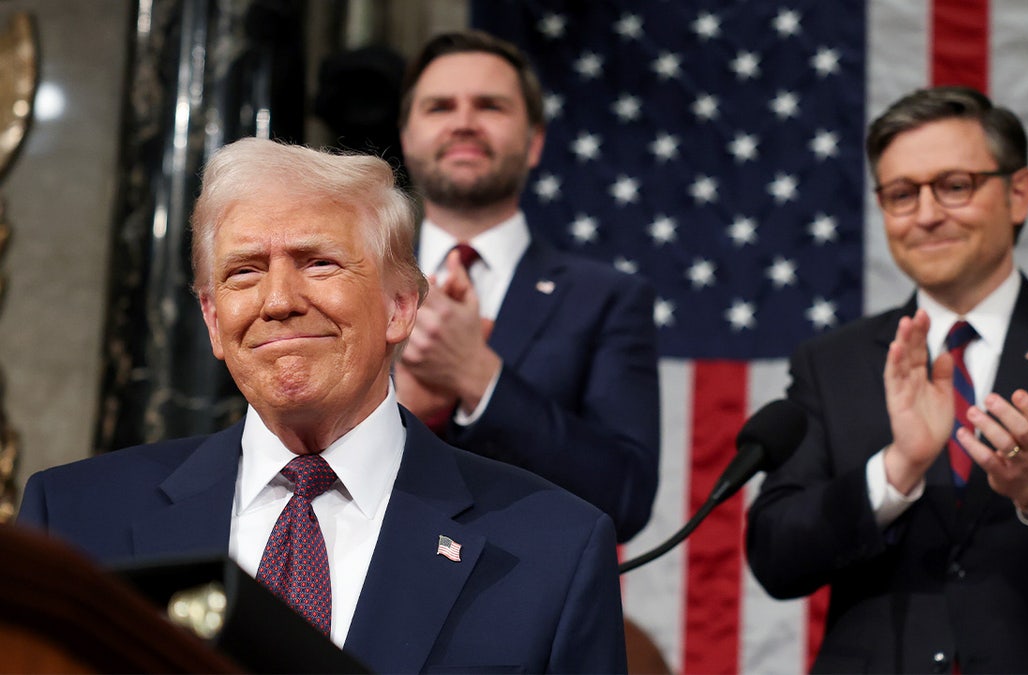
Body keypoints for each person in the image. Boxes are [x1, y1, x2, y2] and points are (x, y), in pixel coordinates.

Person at [18, 138, 627, 673]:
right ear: (211, 318)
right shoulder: (71, 521)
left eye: (319, 263)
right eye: (244, 272)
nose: (279, 300)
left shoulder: (553, 549)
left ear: (401, 306)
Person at [745, 86, 1028, 673]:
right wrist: (896, 470)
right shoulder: (831, 362)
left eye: (955, 186)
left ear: (1018, 194)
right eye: (902, 194)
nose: (928, 214)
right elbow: (777, 559)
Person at [392, 30, 660, 543]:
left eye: (490, 106)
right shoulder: (348, 285)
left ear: (535, 142)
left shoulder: (606, 298)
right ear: (407, 136)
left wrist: (478, 377)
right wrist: (394, 409)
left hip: (522, 608)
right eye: (440, 107)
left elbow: (624, 498)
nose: (464, 123)